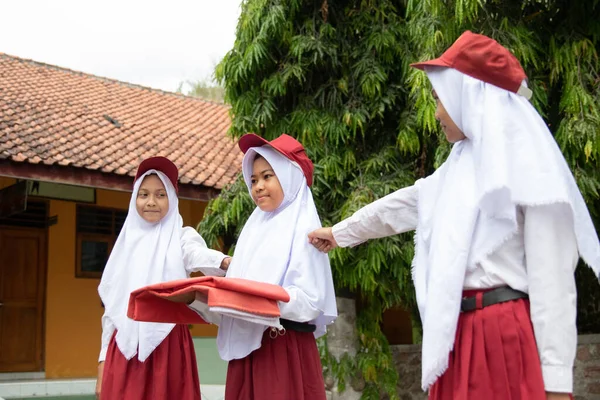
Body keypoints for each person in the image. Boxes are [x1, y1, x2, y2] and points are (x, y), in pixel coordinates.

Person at [308, 31, 600, 400]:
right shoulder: (456, 171)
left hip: (502, 335)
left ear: (471, 96)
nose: (437, 112)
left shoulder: (530, 169)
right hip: (454, 334)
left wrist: (556, 382)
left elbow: (553, 279)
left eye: (439, 100)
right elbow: (404, 205)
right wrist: (340, 233)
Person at [212, 133, 337, 400]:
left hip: (282, 348)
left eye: (268, 176)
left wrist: (260, 300)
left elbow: (310, 300)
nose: (257, 186)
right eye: (254, 179)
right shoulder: (253, 228)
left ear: (289, 176)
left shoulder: (305, 229)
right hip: (247, 349)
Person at [96, 156, 231, 400]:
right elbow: (112, 311)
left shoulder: (180, 237)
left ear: (172, 199)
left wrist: (222, 262)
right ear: (134, 198)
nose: (151, 202)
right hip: (124, 347)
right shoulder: (124, 247)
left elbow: (195, 254)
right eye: (143, 194)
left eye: (160, 194)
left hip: (167, 343)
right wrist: (103, 360)